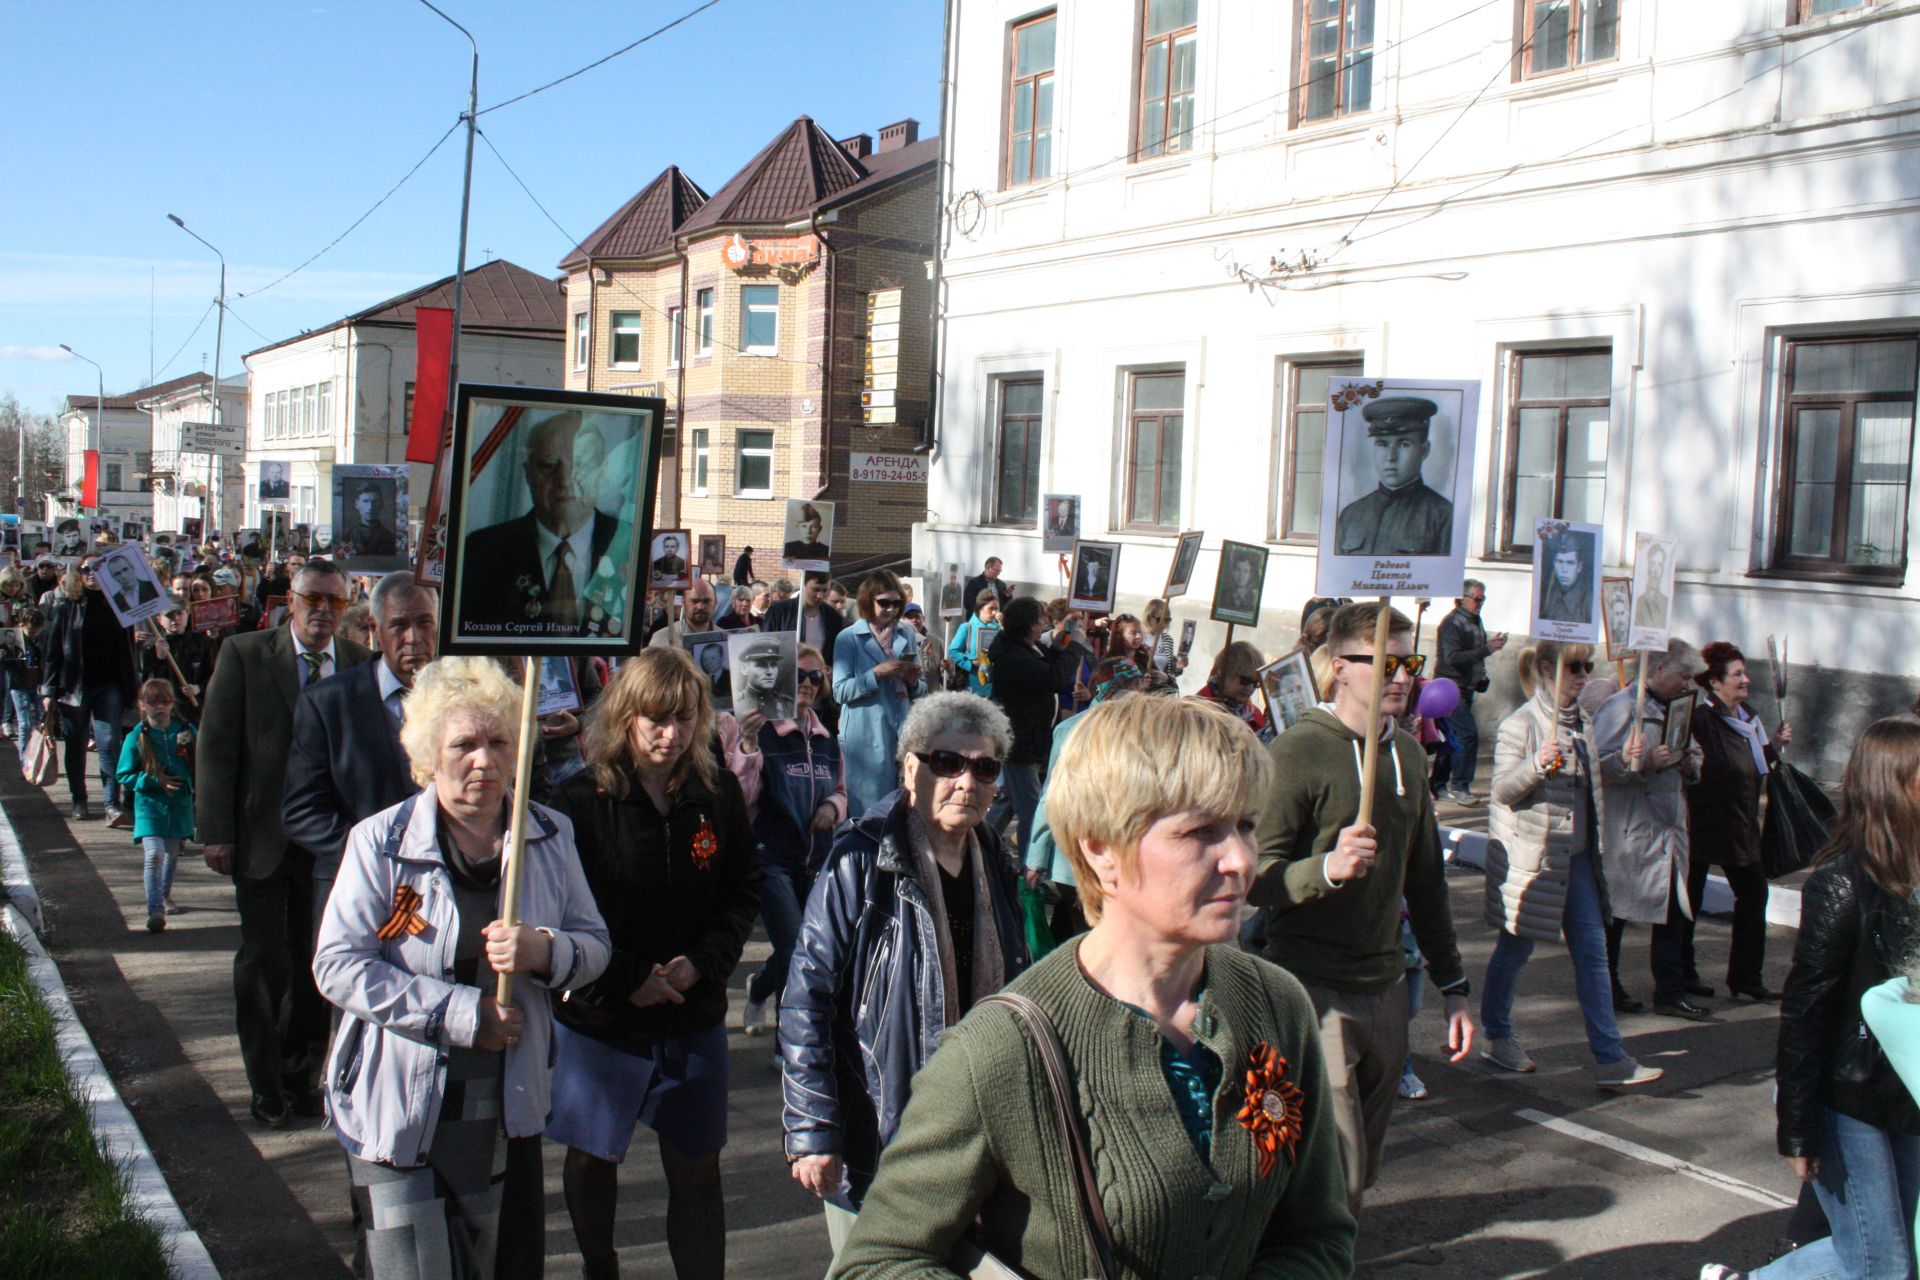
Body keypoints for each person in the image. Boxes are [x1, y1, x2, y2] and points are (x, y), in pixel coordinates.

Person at [834, 695, 1355, 1279]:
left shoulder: (1277, 1003)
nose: (1238, 858)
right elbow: (875, 1264)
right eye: (1200, 831)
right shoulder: (1001, 1049)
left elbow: (1318, 1234)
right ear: (1101, 848)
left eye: (1245, 826)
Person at [313, 656, 610, 1280]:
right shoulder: (380, 842)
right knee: (412, 1269)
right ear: (427, 754)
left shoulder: (551, 835)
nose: (484, 761)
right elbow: (338, 965)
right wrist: (459, 1014)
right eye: (463, 745)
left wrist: (545, 951)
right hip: (397, 1107)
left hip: (505, 1106)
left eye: (499, 742)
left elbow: (595, 946)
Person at [781, 693, 1030, 1257]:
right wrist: (813, 1128)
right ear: (911, 768)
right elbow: (806, 999)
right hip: (881, 1124)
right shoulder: (859, 860)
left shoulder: (995, 857)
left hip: (975, 1122)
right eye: (948, 763)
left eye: (985, 768)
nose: (967, 781)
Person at [1252, 601, 1474, 1213]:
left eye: (1409, 662)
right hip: (1313, 987)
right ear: (1340, 667)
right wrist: (1325, 868)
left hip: (1387, 987)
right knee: (1339, 1171)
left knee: (1365, 1169)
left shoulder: (1407, 755)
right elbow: (1253, 877)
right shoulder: (1298, 751)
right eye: (1383, 663)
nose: (1401, 677)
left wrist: (1453, 984)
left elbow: (1426, 880)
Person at [545, 648, 760, 1280]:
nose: (670, 735)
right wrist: (626, 975)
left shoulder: (714, 794)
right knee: (590, 1159)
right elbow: (560, 908)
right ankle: (599, 1268)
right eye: (655, 720)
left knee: (697, 1168)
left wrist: (703, 963)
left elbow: (742, 887)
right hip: (602, 1017)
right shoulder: (579, 800)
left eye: (685, 719)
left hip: (691, 1011)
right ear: (626, 716)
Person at [1699, 717, 1920, 1280]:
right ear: (1894, 784)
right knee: (1880, 1265)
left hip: (1907, 1093)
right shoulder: (1842, 884)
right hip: (1847, 1100)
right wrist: (1798, 1125)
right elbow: (1805, 1011)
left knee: (1901, 1257)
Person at [198, 557, 374, 1128]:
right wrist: (216, 830)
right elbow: (218, 745)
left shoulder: (358, 664)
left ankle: (301, 1078)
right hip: (261, 837)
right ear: (290, 601)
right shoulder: (246, 655)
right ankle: (265, 1082)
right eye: (313, 600)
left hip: (329, 844)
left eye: (335, 602)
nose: (323, 612)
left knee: (314, 963)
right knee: (263, 958)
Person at [1478, 642, 1664, 1089]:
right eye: (1574, 667)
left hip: (1577, 860)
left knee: (1594, 956)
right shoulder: (1520, 725)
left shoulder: (1581, 720)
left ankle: (1610, 1058)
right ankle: (1498, 1036)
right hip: (1534, 861)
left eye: (1588, 666)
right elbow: (1502, 790)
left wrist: (1622, 762)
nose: (1584, 675)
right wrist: (1537, 765)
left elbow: (1588, 776)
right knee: (1515, 950)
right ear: (1546, 669)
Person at [283, 572, 438, 926]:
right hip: (355, 888)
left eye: (424, 623)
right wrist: (375, 857)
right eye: (399, 625)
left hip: (444, 892)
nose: (413, 638)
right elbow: (302, 810)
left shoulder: (465, 696)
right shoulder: (328, 704)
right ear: (375, 629)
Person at [726, 643, 845, 1038]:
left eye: (816, 677)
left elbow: (842, 790)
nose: (809, 684)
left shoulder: (827, 738)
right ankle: (788, 1040)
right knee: (797, 946)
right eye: (800, 675)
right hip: (770, 856)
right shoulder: (764, 733)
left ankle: (760, 986)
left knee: (801, 945)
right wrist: (747, 747)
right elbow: (739, 798)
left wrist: (832, 805)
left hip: (814, 860)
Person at [1593, 639, 1709, 1019]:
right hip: (1633, 827)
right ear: (1658, 670)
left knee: (1674, 909)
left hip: (1668, 826)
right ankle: (1604, 984)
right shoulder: (1622, 707)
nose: (1688, 685)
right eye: (1683, 676)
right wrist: (1641, 761)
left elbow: (1689, 748)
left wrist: (1689, 760)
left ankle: (1670, 989)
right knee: (1617, 913)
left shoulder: (1675, 708)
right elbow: (1598, 763)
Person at [1687, 641, 1792, 1002]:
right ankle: (1682, 975)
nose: (1746, 680)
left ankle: (1747, 977)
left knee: (1753, 894)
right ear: (1715, 682)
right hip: (1703, 820)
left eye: (1745, 672)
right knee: (1689, 899)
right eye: (1737, 674)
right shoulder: (1701, 720)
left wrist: (1775, 745)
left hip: (1742, 823)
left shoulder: (1749, 717)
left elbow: (1763, 764)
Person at [461, 412, 621, 634]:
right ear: (528, 474)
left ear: (602, 473)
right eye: (549, 465)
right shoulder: (482, 552)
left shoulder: (626, 543)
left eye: (581, 465)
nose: (565, 480)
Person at [39, 560, 141, 824]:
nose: (93, 574)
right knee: (76, 744)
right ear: (79, 574)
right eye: (87, 569)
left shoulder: (119, 607)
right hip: (74, 687)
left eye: (98, 569)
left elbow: (129, 650)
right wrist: (48, 689)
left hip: (110, 685)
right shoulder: (65, 606)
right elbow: (52, 650)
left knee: (109, 743)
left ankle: (112, 804)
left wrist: (133, 687)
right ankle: (79, 800)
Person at [985, 597, 1080, 863]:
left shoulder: (1025, 647)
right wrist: (1077, 647)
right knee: (1031, 809)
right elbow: (1053, 678)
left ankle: (981, 844)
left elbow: (1050, 656)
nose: (1043, 625)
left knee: (1007, 798)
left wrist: (1067, 635)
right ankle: (1029, 869)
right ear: (1028, 625)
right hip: (1019, 739)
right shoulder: (1013, 655)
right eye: (1040, 621)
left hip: (1026, 736)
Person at [831, 571, 926, 816]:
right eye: (884, 602)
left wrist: (913, 682)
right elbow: (839, 691)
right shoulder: (848, 637)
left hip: (902, 729)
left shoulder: (906, 634)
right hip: (864, 735)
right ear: (868, 601)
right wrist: (876, 674)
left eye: (896, 603)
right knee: (867, 811)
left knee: (904, 807)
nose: (891, 609)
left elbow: (922, 689)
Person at [115, 678, 195, 934]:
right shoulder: (136, 736)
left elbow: (203, 759)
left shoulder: (185, 730)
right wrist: (152, 780)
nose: (159, 707)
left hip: (179, 803)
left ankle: (165, 895)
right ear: (142, 705)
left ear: (173, 703)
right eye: (152, 702)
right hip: (150, 805)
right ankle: (155, 909)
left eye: (165, 701)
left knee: (171, 854)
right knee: (154, 854)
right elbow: (123, 774)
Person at [1333, 396, 1454, 556]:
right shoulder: (1351, 514)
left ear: (1424, 450)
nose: (1391, 456)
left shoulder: (1444, 516)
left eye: (1404, 444)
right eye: (1382, 444)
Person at [1433, 579, 1507, 804]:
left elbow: (1474, 654)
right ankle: (1460, 786)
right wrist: (1486, 649)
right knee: (1467, 735)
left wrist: (1481, 675)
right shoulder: (1452, 624)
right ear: (1462, 598)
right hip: (1449, 688)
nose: (1480, 603)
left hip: (1466, 687)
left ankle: (1437, 785)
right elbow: (1452, 657)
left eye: (1482, 599)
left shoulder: (1475, 621)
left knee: (1450, 738)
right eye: (1477, 599)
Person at [762, 570, 845, 667]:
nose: (820, 595)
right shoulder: (779, 611)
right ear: (803, 585)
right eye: (816, 589)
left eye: (825, 590)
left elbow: (836, 653)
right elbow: (766, 645)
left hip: (818, 677)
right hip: (786, 674)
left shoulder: (833, 617)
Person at [1195, 639, 1270, 739]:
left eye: (1256, 683)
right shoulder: (1194, 710)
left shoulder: (1254, 715)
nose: (1250, 688)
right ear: (1222, 672)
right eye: (1245, 680)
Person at [946, 589, 1002, 696]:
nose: (995, 613)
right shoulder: (967, 627)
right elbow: (953, 651)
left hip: (995, 683)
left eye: (996, 609)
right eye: (991, 608)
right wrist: (971, 661)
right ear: (980, 608)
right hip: (974, 682)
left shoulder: (999, 628)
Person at [732, 631, 795, 722]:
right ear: (744, 669)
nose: (770, 672)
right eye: (761, 665)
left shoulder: (787, 705)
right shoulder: (737, 704)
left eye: (773, 665)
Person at [647, 577, 718, 650]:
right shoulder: (663, 638)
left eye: (706, 601)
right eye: (694, 601)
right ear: (683, 602)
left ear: (715, 602)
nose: (700, 607)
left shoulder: (727, 638)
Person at [1537, 531, 1592, 625]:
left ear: (1579, 567)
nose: (1564, 570)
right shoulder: (1549, 593)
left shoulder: (1588, 600)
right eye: (1559, 562)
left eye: (1570, 563)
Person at [340, 482, 398, 557]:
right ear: (357, 504)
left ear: (381, 504)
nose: (370, 507)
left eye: (375, 502)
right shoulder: (347, 535)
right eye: (365, 501)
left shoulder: (390, 538)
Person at [1142, 596, 1188, 676]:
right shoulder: (1139, 638)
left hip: (1161, 686)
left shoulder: (1167, 640)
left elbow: (1170, 671)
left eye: (1167, 620)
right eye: (1160, 619)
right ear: (1149, 617)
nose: (1164, 624)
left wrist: (1178, 667)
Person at [1634, 541, 1671, 631]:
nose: (1655, 570)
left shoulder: (1666, 602)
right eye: (1652, 563)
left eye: (1660, 565)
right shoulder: (1637, 602)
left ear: (1663, 569)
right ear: (1647, 566)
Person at [1219, 550, 1262, 616]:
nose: (1241, 576)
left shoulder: (1253, 598)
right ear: (1233, 572)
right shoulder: (1224, 595)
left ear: (1250, 575)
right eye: (1238, 570)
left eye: (1245, 571)